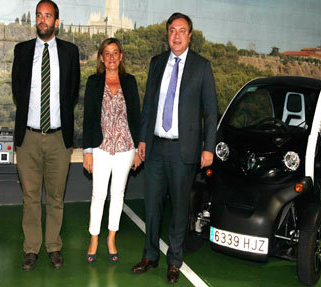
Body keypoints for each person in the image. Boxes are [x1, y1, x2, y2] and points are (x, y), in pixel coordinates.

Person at [131, 12, 218, 283]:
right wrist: (143, 140)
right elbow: (148, 106)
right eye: (172, 30)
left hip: (185, 150)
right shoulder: (157, 63)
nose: (176, 35)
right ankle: (150, 255)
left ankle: (174, 260)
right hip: (156, 148)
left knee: (180, 208)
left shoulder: (202, 67)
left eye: (182, 30)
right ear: (167, 34)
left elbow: (211, 111)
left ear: (190, 36)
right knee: (152, 205)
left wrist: (208, 147)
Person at [12, 0, 80, 271]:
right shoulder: (22, 50)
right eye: (39, 15)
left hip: (57, 138)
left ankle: (53, 246)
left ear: (56, 22)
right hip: (28, 138)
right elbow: (18, 89)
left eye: (47, 15)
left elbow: (72, 91)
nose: (42, 20)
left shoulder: (70, 52)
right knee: (30, 197)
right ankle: (31, 249)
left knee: (55, 197)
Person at [83, 38, 141, 264]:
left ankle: (111, 238)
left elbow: (136, 116)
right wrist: (87, 151)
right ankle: (94, 239)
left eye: (115, 52)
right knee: (98, 195)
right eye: (106, 53)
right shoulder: (93, 82)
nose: (111, 57)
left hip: (126, 148)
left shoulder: (130, 82)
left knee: (118, 195)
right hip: (100, 148)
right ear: (101, 57)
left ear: (121, 56)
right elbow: (88, 119)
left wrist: (138, 149)